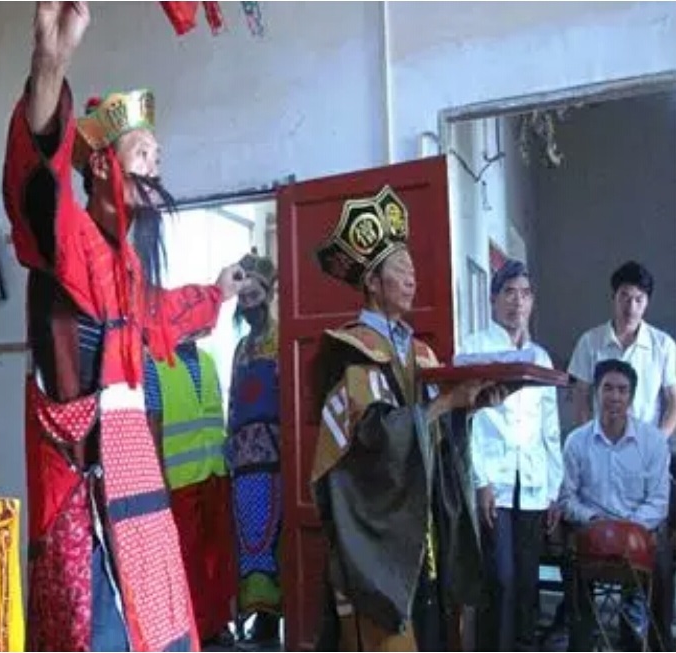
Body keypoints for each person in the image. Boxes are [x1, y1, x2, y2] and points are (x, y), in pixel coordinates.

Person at [3, 3, 249, 650]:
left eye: (157, 155)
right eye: (142, 152)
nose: (154, 167)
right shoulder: (70, 240)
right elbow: (36, 184)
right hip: (81, 489)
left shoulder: (127, 266)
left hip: (134, 479)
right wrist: (50, 63)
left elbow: (160, 313)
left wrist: (217, 293)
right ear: (99, 166)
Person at [311, 185, 506, 651]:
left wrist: (470, 407)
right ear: (372, 282)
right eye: (400, 268)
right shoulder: (351, 350)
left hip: (423, 524)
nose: (412, 277)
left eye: (413, 268)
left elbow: (438, 433)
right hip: (378, 533)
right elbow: (372, 440)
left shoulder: (421, 352)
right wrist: (446, 405)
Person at [461, 260, 563, 651]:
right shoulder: (474, 349)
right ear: (493, 299)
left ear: (532, 302)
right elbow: (467, 423)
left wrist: (553, 488)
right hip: (494, 482)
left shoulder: (541, 358)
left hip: (533, 483)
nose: (517, 302)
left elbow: (550, 429)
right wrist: (480, 481)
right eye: (508, 293)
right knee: (499, 578)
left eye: (524, 294)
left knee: (526, 581)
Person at [560, 359, 673, 652]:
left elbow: (659, 501)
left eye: (622, 390)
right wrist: (594, 520)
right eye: (608, 388)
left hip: (639, 530)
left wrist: (629, 529)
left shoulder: (653, 442)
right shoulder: (576, 442)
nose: (615, 397)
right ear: (596, 393)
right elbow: (567, 499)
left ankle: (653, 644)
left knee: (662, 562)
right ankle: (581, 643)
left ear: (631, 397)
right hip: (592, 529)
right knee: (569, 558)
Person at [145, 341, 236, 649]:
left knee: (219, 555)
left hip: (215, 472)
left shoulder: (209, 360)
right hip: (179, 479)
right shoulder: (154, 363)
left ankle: (219, 623)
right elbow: (153, 425)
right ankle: (196, 627)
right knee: (188, 558)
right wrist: (159, 480)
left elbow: (217, 414)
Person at [226, 250, 282, 648]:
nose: (248, 306)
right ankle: (253, 615)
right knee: (247, 540)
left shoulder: (283, 342)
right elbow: (233, 403)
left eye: (254, 296)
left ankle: (270, 621)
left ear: (269, 294)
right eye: (242, 299)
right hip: (242, 461)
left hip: (274, 458)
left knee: (271, 538)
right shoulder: (241, 349)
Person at [568, 261, 676, 436]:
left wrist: (658, 440)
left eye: (639, 299)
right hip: (602, 443)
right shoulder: (590, 342)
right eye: (624, 297)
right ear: (614, 297)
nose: (631, 307)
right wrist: (590, 441)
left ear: (647, 302)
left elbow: (674, 401)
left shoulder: (664, 345)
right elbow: (580, 397)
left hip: (646, 442)